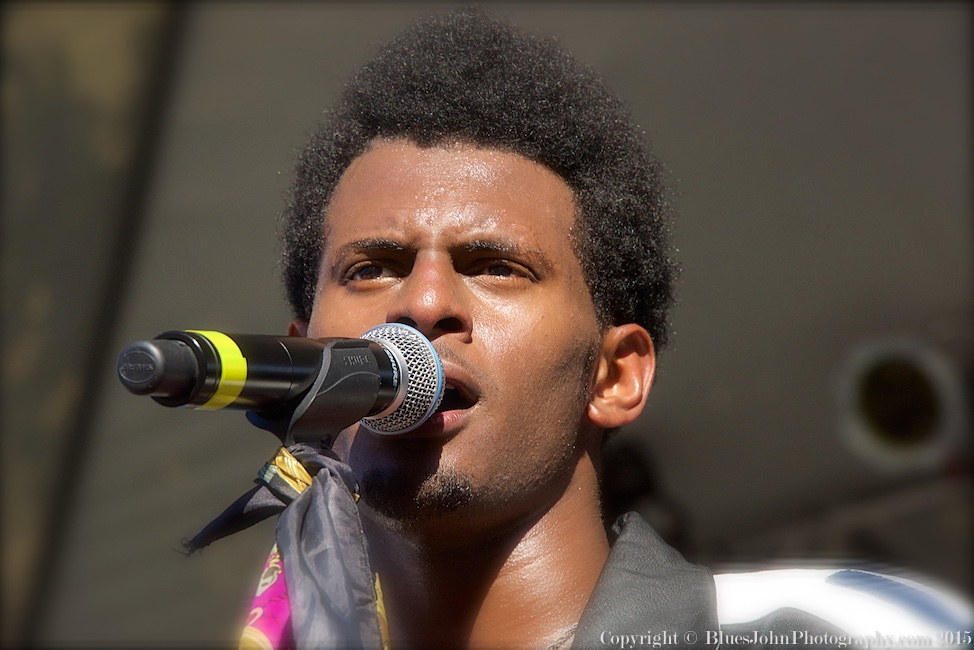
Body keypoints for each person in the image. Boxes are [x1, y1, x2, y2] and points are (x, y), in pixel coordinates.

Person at [218, 9, 970, 650]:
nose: (422, 303)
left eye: (495, 266)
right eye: (372, 268)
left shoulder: (846, 631)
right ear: (304, 361)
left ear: (615, 376)